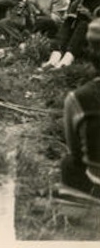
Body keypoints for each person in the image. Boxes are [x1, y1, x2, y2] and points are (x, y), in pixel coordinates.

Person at [57, 17, 100, 202]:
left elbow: (76, 152)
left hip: (96, 185)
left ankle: (82, 208)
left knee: (69, 163)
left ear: (91, 54)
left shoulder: (78, 99)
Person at [43, 0, 100, 69]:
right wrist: (71, 14)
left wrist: (90, 17)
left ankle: (66, 60)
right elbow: (67, 22)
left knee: (83, 25)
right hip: (81, 40)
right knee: (68, 22)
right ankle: (55, 56)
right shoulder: (81, 0)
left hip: (96, 42)